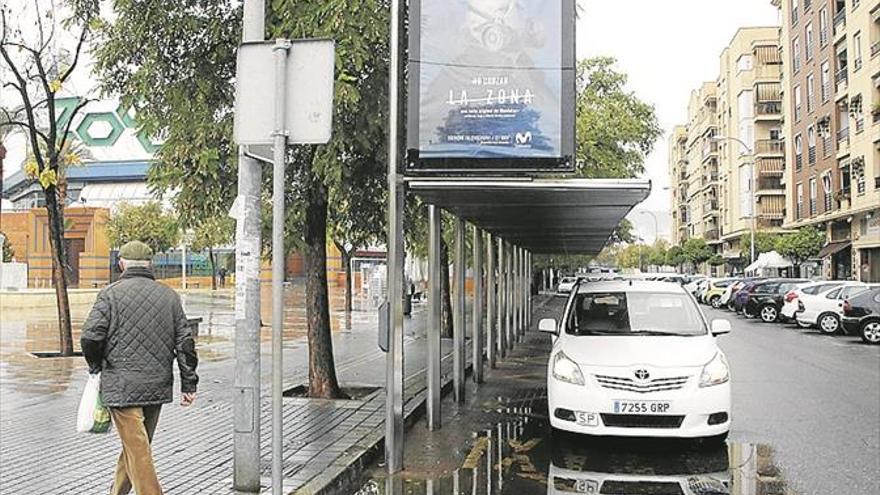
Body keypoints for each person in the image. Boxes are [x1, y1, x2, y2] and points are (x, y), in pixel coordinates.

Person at [81, 240, 199, 495]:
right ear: (150, 264)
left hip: (122, 385)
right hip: (156, 385)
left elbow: (90, 337)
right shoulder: (169, 296)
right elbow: (185, 343)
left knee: (137, 449)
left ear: (122, 263)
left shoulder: (110, 294)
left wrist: (96, 366)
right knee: (137, 448)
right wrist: (189, 384)